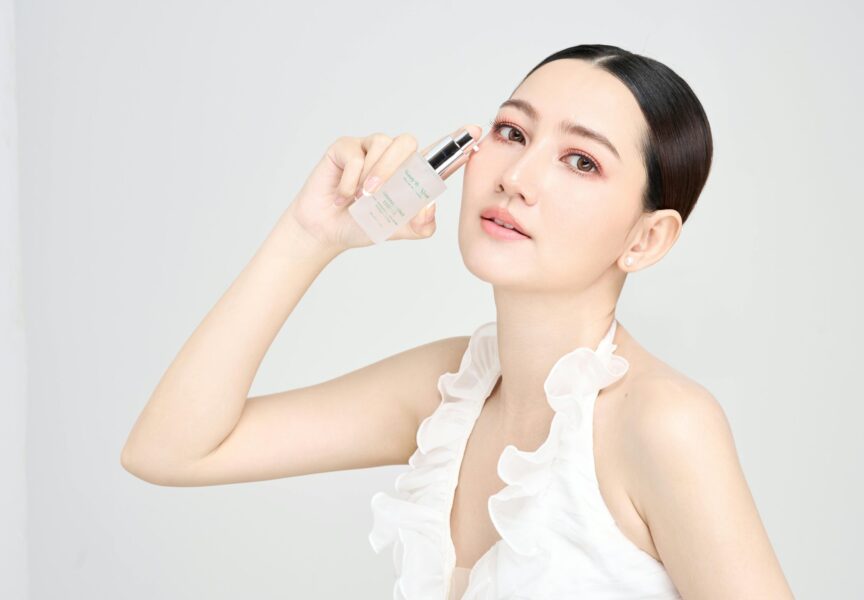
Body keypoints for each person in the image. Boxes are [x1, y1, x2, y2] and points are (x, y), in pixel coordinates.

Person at [121, 44, 794, 600]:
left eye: (581, 161)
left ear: (646, 240)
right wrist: (309, 237)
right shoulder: (450, 392)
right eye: (513, 133)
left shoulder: (663, 423)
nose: (517, 177)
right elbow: (169, 451)